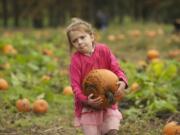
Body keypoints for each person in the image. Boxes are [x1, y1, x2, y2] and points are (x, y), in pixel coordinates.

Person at [66, 18, 128, 135]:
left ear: (91, 36)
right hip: (90, 103)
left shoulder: (104, 50)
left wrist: (122, 81)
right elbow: (75, 86)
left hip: (108, 98)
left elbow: (117, 69)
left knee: (111, 129)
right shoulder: (76, 60)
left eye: (82, 37)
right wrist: (86, 100)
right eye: (75, 41)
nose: (79, 42)